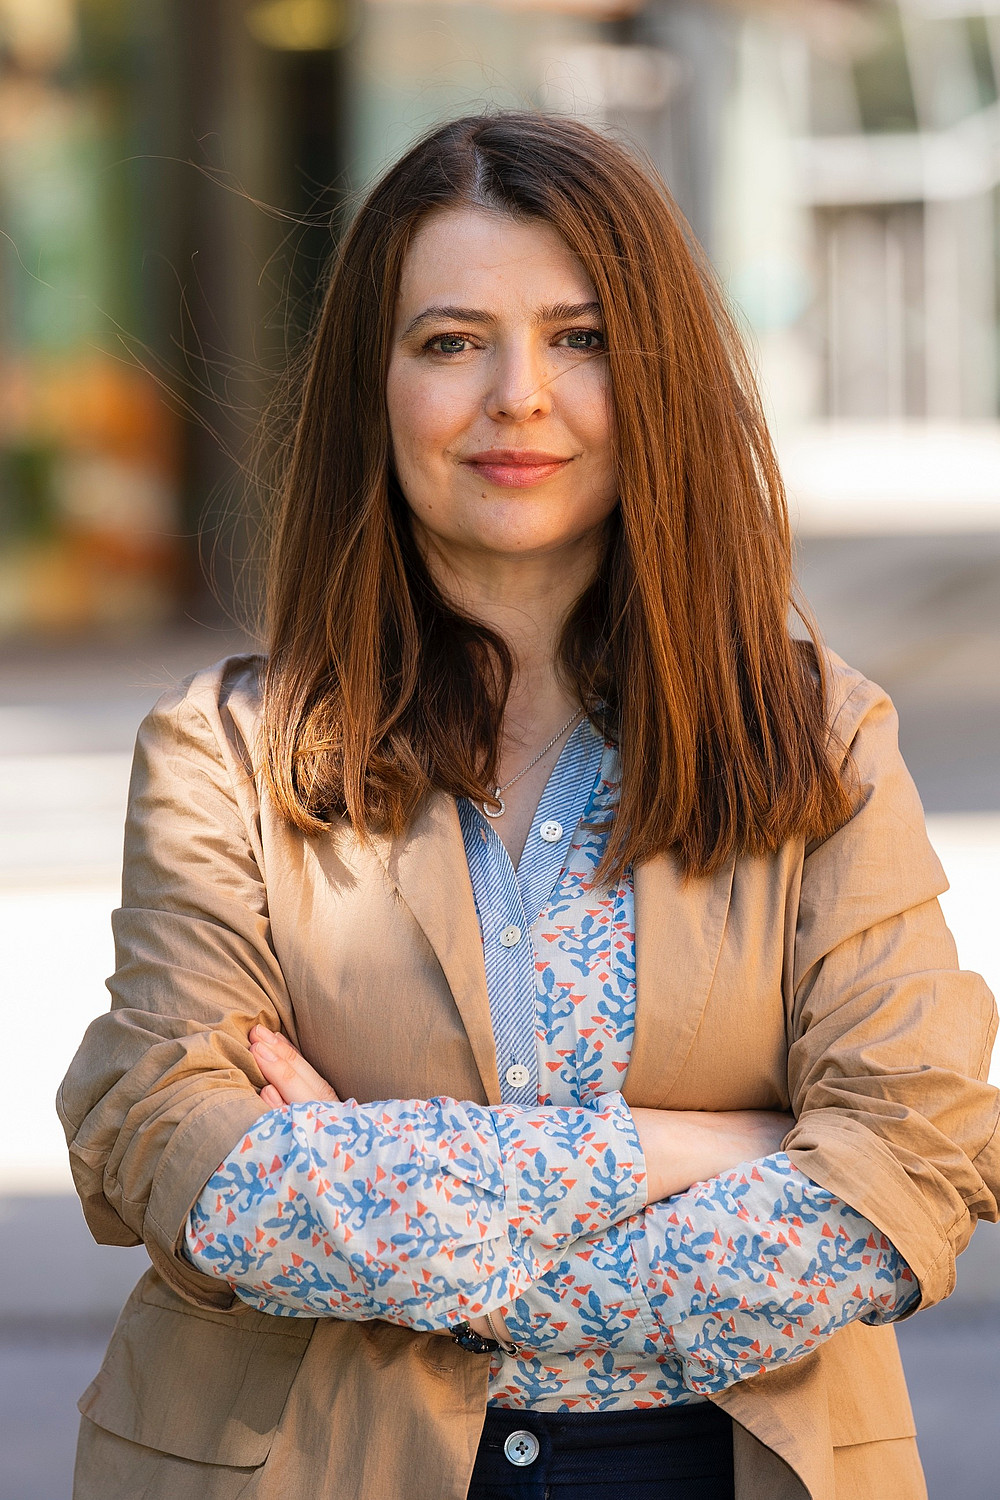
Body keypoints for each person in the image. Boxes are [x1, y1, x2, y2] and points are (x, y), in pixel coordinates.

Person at [58, 112, 998, 1500]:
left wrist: (366, 1185)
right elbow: (188, 1162)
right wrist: (689, 1152)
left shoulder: (818, 737)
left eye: (580, 337)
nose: (519, 398)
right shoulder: (226, 753)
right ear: (372, 388)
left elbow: (906, 1177)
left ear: (657, 373)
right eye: (449, 342)